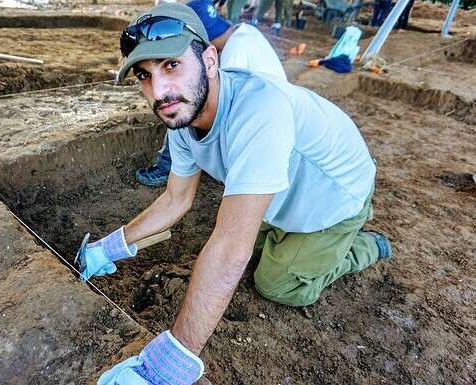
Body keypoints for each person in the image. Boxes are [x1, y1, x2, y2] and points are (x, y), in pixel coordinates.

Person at [84, 3, 392, 384]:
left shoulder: (259, 107)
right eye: (144, 76)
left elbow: (231, 247)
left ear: (210, 58)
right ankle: (301, 240)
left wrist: (168, 365)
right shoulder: (182, 119)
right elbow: (175, 200)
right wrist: (109, 248)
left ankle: (361, 245)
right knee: (249, 247)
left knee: (276, 284)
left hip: (334, 201)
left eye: (172, 65)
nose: (159, 91)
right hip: (282, 200)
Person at [136, 0, 287, 187]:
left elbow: (221, 103)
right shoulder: (244, 32)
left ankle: (168, 166)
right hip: (270, 122)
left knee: (188, 100)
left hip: (264, 133)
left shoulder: (235, 52)